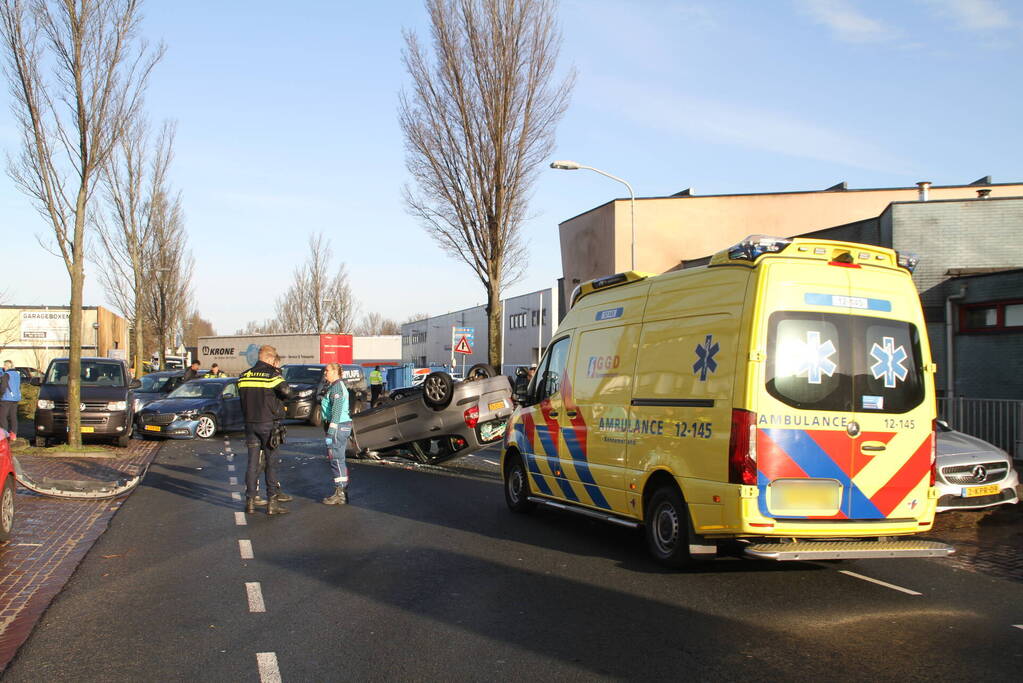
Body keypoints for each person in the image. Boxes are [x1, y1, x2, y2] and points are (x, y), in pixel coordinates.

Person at [238, 345, 292, 515]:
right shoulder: (272, 375)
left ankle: (250, 501)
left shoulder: (244, 376)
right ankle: (272, 502)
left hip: (250, 423)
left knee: (252, 464)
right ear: (269, 358)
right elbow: (287, 392)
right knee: (271, 463)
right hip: (268, 424)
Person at [320, 363, 353, 505]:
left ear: (335, 372)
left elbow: (337, 411)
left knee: (336, 459)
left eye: (327, 371)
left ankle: (340, 494)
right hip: (342, 427)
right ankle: (342, 492)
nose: (324, 373)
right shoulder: (334, 387)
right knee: (339, 459)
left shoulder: (337, 387)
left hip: (338, 427)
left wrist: (331, 432)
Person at [0, 360, 21, 442]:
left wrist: (1, 395)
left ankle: (4, 435)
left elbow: (3, 387)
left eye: (4, 366)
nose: (3, 367)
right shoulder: (17, 374)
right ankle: (14, 434)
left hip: (6, 399)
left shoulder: (6, 374)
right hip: (15, 398)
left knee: (3, 417)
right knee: (13, 416)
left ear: (7, 366)